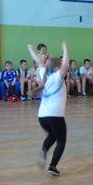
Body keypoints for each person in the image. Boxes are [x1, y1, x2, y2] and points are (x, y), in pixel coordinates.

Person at [35, 42, 69, 176]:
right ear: (56, 68)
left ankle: (44, 150)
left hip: (42, 116)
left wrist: (31, 49)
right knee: (61, 140)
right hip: (55, 115)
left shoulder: (44, 74)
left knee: (53, 135)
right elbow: (66, 64)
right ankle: (52, 166)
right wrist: (65, 48)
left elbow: (39, 62)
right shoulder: (57, 77)